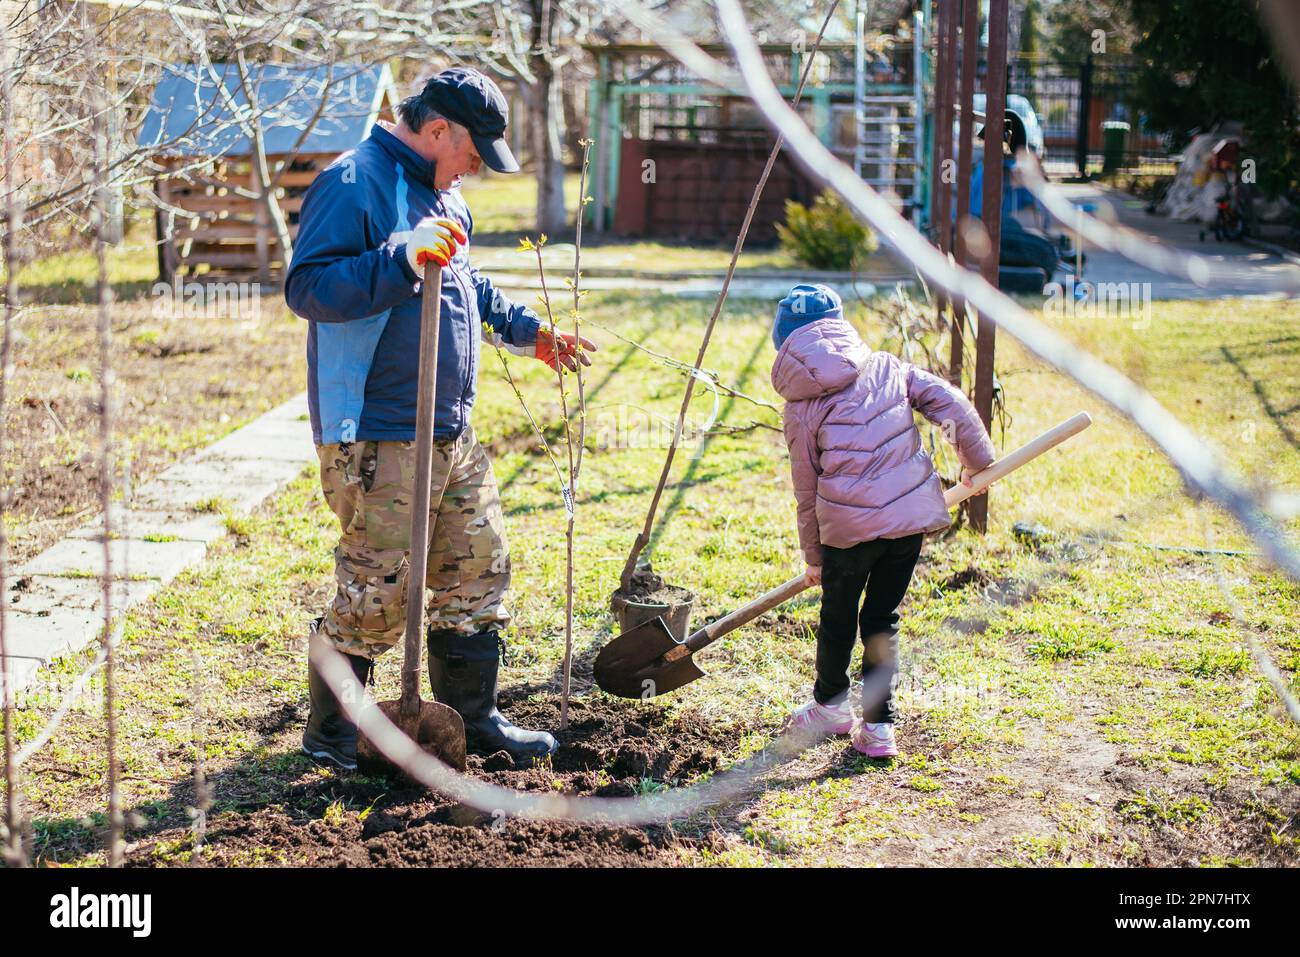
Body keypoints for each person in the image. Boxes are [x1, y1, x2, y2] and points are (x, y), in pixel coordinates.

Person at [285, 67, 596, 770]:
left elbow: (464, 281)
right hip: (379, 427)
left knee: (477, 569)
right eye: (472, 150)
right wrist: (399, 256)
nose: (477, 167)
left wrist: (528, 331)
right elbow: (308, 287)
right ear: (435, 131)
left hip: (449, 425)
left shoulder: (443, 191)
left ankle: (475, 718)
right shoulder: (353, 182)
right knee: (379, 586)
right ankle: (331, 736)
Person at [769, 284, 995, 757]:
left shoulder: (800, 407)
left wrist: (814, 557)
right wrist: (976, 461)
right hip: (907, 523)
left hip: (847, 535)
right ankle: (878, 728)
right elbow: (948, 405)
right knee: (880, 620)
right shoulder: (889, 368)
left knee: (838, 617)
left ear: (784, 341)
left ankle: (831, 706)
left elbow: (806, 489)